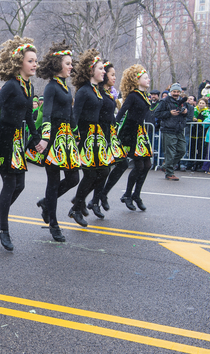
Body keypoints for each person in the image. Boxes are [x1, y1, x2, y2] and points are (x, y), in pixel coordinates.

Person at [0, 36, 42, 249]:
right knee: (9, 184)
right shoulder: (10, 85)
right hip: (4, 138)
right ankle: (3, 230)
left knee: (20, 185)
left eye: (36, 60)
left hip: (18, 139)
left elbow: (29, 116)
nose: (35, 64)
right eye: (31, 60)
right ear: (19, 63)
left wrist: (36, 138)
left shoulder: (29, 88)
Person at [26, 41, 80, 241]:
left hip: (67, 140)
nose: (71, 66)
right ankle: (54, 224)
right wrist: (46, 138)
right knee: (54, 181)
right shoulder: (51, 88)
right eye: (68, 63)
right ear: (58, 65)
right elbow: (46, 114)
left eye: (71, 63)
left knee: (74, 178)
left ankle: (46, 203)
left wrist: (77, 137)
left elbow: (71, 115)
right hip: (54, 139)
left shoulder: (66, 88)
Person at [67, 50, 109, 227]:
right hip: (84, 137)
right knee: (90, 174)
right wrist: (75, 137)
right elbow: (75, 115)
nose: (104, 72)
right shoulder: (84, 91)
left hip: (96, 137)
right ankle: (77, 207)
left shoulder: (96, 91)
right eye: (101, 68)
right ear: (91, 71)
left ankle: (79, 200)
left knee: (104, 171)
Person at [88, 60, 127, 212]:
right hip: (101, 135)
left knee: (120, 164)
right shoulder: (100, 94)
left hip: (111, 134)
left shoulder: (109, 94)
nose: (114, 77)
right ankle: (90, 200)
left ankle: (101, 195)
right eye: (112, 74)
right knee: (101, 171)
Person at [115, 64, 153, 210]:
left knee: (147, 165)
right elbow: (122, 112)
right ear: (137, 81)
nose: (148, 79)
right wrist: (114, 128)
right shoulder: (133, 96)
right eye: (145, 77)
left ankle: (136, 195)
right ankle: (128, 195)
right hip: (132, 132)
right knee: (139, 165)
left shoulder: (144, 95)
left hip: (141, 132)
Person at [155, 83, 193, 181]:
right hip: (168, 129)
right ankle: (169, 173)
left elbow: (189, 114)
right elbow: (156, 113)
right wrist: (169, 113)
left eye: (177, 92)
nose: (176, 93)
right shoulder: (164, 101)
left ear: (180, 92)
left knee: (182, 150)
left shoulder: (182, 101)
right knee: (170, 153)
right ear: (170, 92)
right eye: (174, 91)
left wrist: (185, 112)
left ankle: (166, 166)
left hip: (179, 129)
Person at [187, 98, 209, 171]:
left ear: (205, 104)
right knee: (192, 148)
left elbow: (206, 120)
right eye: (200, 103)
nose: (201, 104)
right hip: (194, 132)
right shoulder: (194, 110)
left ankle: (200, 164)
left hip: (202, 133)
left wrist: (199, 121)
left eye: (203, 103)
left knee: (201, 149)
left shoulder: (207, 111)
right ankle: (191, 164)